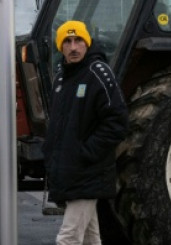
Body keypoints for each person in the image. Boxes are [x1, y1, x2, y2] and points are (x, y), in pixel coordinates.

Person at [44, 21, 128, 245]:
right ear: (60, 47)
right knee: (91, 238)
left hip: (87, 173)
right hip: (72, 172)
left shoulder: (98, 73)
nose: (73, 47)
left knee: (68, 238)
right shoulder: (61, 79)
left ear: (87, 43)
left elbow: (117, 122)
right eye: (67, 42)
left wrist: (85, 153)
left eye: (78, 40)